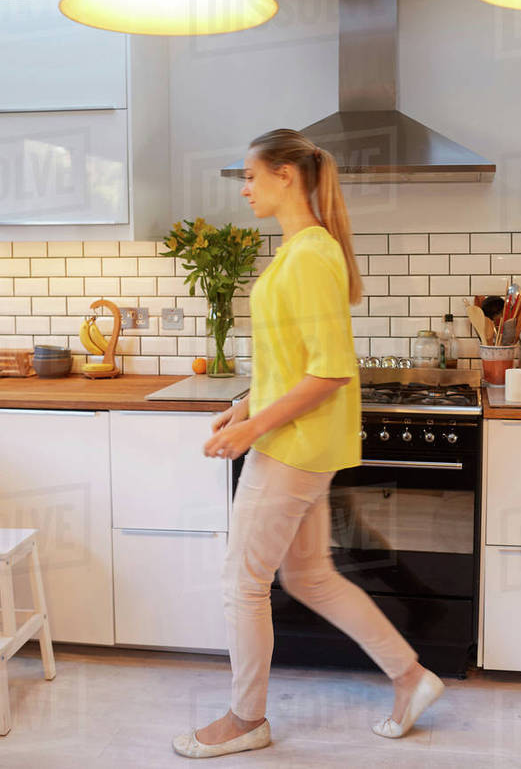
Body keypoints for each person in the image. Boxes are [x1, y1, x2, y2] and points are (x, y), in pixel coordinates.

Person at [172, 129, 444, 759]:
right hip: (295, 442)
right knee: (310, 578)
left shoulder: (311, 254)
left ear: (286, 176)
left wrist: (253, 429)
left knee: (243, 583)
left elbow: (330, 371)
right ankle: (411, 678)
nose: (244, 189)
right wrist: (243, 405)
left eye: (250, 176)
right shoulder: (299, 250)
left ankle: (246, 720)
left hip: (292, 449)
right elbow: (289, 364)